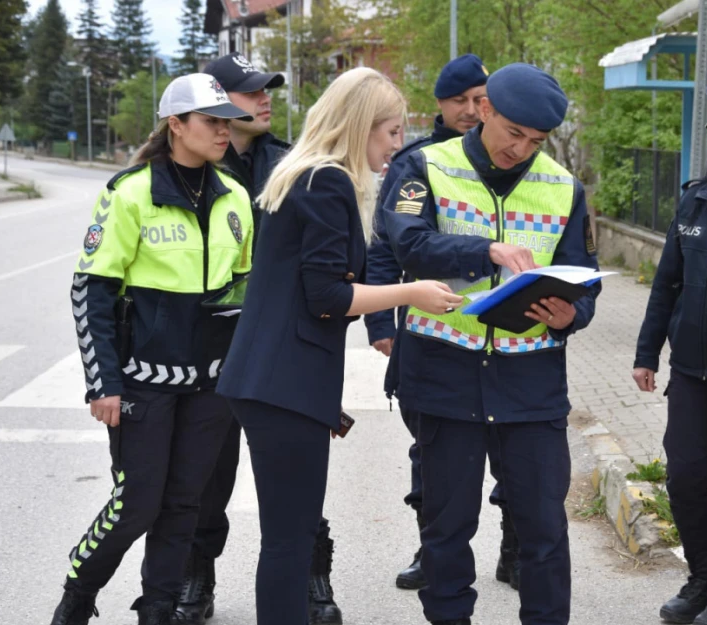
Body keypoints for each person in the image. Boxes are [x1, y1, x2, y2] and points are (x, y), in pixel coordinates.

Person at [215, 67, 463, 625]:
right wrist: (413, 293)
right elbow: (325, 295)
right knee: (289, 540)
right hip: (283, 383)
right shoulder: (325, 181)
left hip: (275, 379)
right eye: (391, 132)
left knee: (289, 534)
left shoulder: (299, 173)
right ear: (359, 126)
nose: (398, 145)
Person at [382, 63, 601, 625]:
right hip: (444, 375)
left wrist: (568, 315)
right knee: (447, 527)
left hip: (530, 385)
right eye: (514, 134)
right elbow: (408, 244)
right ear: (484, 111)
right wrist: (487, 250)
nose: (522, 149)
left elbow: (586, 276)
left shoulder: (562, 186)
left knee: (544, 529)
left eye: (536, 140)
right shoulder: (423, 166)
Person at [50, 74, 255, 625]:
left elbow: (246, 291)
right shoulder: (130, 192)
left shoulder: (235, 196)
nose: (223, 131)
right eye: (211, 121)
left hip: (211, 385)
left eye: (226, 121)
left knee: (185, 505)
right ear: (176, 126)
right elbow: (90, 291)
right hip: (143, 383)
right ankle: (78, 591)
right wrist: (104, 382)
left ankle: (157, 609)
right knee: (137, 502)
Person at [172, 52, 342, 625]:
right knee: (207, 472)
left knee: (294, 474)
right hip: (209, 349)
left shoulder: (292, 164)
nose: (266, 98)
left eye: (268, 89)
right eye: (251, 92)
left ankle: (312, 574)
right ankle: (198, 575)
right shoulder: (192, 172)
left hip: (278, 348)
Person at [364, 54, 520, 592]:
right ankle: (434, 548)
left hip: (508, 337)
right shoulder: (417, 162)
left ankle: (515, 545)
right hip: (432, 334)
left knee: (509, 449)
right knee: (431, 450)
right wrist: (382, 321)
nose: (472, 110)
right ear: (441, 105)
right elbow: (386, 246)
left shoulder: (511, 158)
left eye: (481, 99)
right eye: (460, 101)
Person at [632, 104, 707, 625]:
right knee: (683, 477)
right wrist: (646, 352)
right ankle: (703, 575)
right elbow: (666, 284)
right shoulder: (694, 202)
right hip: (690, 369)